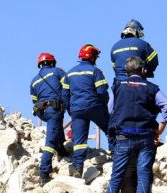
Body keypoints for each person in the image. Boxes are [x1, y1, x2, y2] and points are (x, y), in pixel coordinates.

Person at [104, 56, 167, 193]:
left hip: (123, 135)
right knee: (144, 171)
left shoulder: (118, 85)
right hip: (146, 135)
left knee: (117, 172)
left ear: (127, 71)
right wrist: (161, 126)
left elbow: (110, 109)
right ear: (142, 70)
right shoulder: (151, 87)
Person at [61, 44, 111, 178]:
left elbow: (64, 96)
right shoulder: (95, 71)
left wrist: (71, 110)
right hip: (94, 106)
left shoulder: (69, 73)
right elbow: (102, 92)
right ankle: (116, 155)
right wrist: (104, 107)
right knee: (111, 129)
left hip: (77, 110)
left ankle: (78, 167)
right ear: (92, 57)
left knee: (79, 141)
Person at [29, 52, 67, 185]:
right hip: (53, 109)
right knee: (50, 142)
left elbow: (34, 100)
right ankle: (44, 172)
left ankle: (61, 149)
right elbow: (67, 88)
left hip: (41, 112)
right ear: (52, 63)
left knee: (56, 125)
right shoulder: (57, 72)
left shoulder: (34, 80)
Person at [110, 19, 159, 88]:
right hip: (138, 84)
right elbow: (154, 60)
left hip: (119, 85)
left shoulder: (114, 47)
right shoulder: (143, 44)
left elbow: (115, 67)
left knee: (113, 98)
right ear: (136, 31)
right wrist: (148, 72)